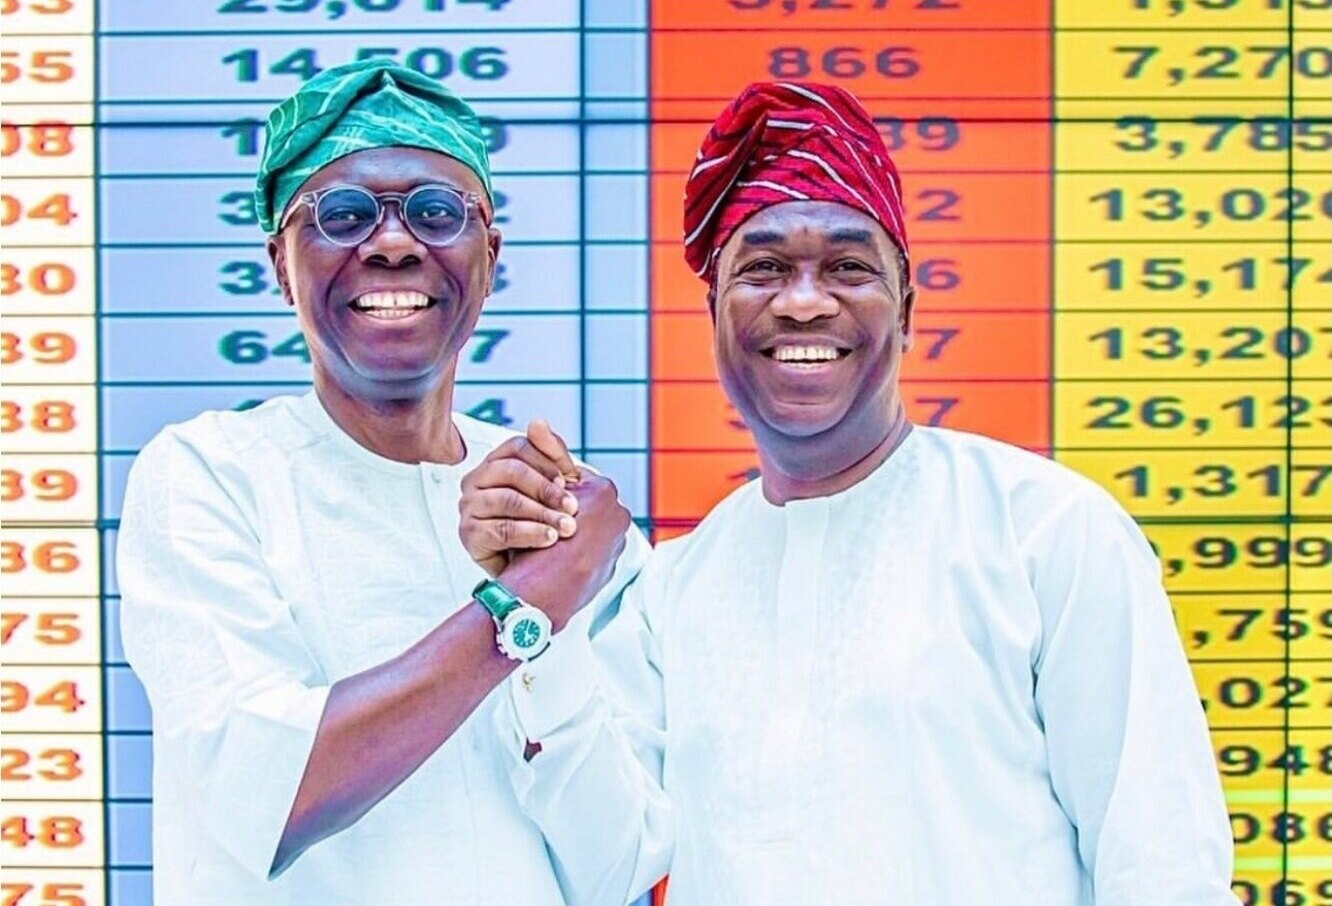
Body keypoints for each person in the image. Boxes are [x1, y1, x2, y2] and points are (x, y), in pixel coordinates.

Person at [459, 82, 1239, 905]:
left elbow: (1163, 868)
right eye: (762, 268)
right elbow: (607, 865)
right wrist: (536, 615)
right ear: (716, 317)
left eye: (847, 266)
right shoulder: (671, 590)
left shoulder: (1047, 532)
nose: (803, 301)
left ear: (905, 310)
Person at [117, 59, 641, 904]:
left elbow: (618, 870)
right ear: (280, 265)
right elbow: (273, 796)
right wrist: (526, 606)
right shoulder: (208, 477)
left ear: (490, 254)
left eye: (437, 213)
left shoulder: (562, 510)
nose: (394, 244)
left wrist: (557, 637)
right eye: (343, 214)